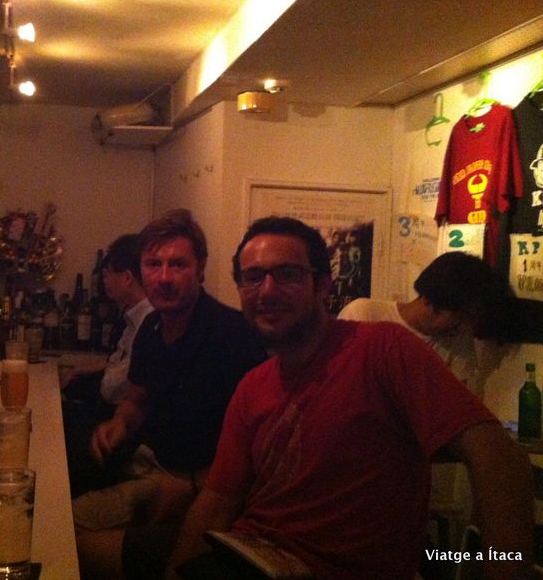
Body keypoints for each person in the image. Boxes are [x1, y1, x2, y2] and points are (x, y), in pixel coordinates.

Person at [167, 216, 534, 580]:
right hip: (246, 554)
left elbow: (502, 460)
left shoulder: (384, 349)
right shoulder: (252, 386)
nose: (267, 291)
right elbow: (218, 501)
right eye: (253, 277)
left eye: (288, 274)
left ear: (322, 285)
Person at [75, 208, 267, 580]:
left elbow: (259, 447)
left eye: (177, 264)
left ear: (200, 268)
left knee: (61, 534)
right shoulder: (150, 327)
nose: (163, 277)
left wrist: (194, 484)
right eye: (154, 264)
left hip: (193, 486)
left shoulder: (234, 336)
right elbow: (136, 399)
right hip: (146, 463)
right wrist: (119, 423)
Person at [61, 233, 154, 497]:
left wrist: (101, 372)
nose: (104, 281)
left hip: (127, 426)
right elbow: (117, 362)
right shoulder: (134, 316)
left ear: (127, 278)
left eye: (108, 274)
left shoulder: (149, 320)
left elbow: (114, 388)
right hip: (117, 415)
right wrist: (88, 369)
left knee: (56, 432)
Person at [337, 250, 510, 390]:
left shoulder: (457, 338)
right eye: (459, 317)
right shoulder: (363, 315)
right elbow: (341, 384)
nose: (463, 326)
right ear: (429, 300)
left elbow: (455, 400)